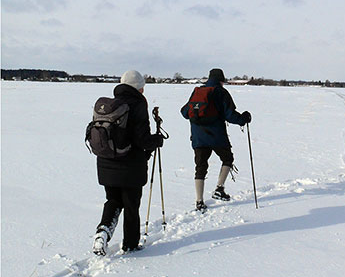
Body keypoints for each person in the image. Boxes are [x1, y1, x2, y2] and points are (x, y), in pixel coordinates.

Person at [92, 70, 165, 255]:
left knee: (113, 200)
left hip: (106, 163)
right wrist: (156, 140)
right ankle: (131, 245)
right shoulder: (138, 104)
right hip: (130, 165)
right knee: (131, 206)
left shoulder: (111, 104)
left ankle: (103, 231)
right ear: (139, 87)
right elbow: (141, 139)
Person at [181, 68, 251, 212]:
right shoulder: (221, 92)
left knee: (200, 167)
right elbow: (230, 115)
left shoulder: (198, 92)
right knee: (227, 159)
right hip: (217, 136)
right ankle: (219, 189)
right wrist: (243, 119)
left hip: (198, 137)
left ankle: (199, 202)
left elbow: (184, 112)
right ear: (221, 80)